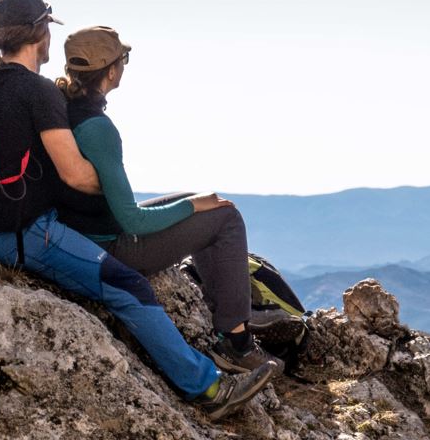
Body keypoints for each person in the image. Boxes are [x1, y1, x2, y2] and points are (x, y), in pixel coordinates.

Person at [0, 0, 277, 419]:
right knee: (130, 287)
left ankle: (232, 329)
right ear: (41, 34)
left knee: (198, 206)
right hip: (27, 233)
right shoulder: (41, 94)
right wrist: (116, 186)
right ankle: (209, 388)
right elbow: (77, 177)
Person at [51, 26, 284, 371]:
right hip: (112, 247)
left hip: (84, 232)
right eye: (123, 59)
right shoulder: (98, 128)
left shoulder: (63, 109)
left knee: (197, 198)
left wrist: (192, 202)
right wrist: (193, 207)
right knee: (225, 218)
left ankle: (226, 307)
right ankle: (236, 341)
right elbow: (132, 220)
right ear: (111, 70)